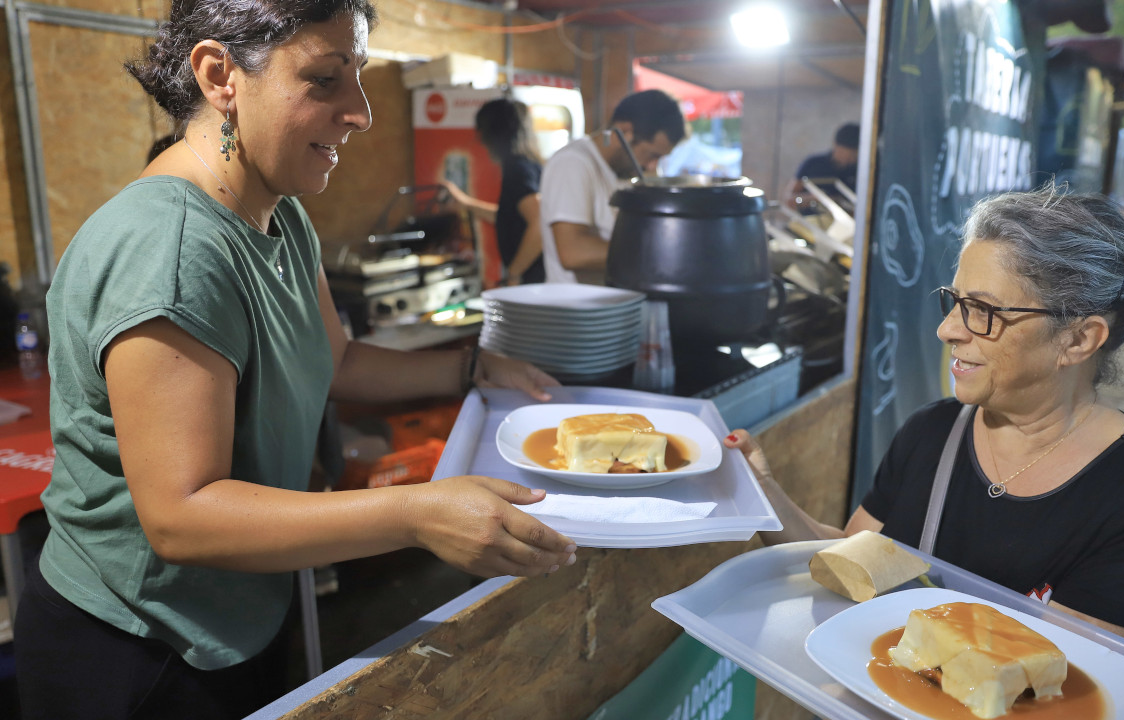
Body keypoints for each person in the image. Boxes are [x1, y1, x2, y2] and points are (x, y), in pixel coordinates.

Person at [14, 3, 577, 719]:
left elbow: (333, 363)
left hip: (238, 613)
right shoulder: (174, 249)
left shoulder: (279, 214)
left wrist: (468, 370)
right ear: (221, 75)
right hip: (139, 650)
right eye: (323, 79)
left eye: (360, 77)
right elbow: (181, 515)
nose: (362, 113)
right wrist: (415, 512)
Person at [726, 186, 1124, 648]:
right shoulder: (932, 433)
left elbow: (1069, 684)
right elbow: (850, 564)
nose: (947, 329)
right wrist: (761, 491)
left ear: (1079, 340)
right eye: (955, 302)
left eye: (982, 310)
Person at [539, 89, 686, 284]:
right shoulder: (572, 163)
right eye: (652, 155)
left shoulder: (626, 171)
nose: (652, 167)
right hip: (579, 309)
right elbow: (572, 252)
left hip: (617, 307)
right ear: (624, 132)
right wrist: (658, 252)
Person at [442, 98, 546, 285]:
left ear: (495, 134)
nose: (481, 141)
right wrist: (465, 203)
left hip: (532, 281)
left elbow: (539, 223)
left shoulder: (518, 170)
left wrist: (514, 273)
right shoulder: (530, 165)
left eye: (482, 132)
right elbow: (511, 218)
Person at [788, 122, 859, 201]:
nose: (850, 159)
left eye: (853, 155)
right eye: (847, 154)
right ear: (836, 145)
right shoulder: (813, 163)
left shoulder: (858, 171)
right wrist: (814, 198)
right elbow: (789, 199)